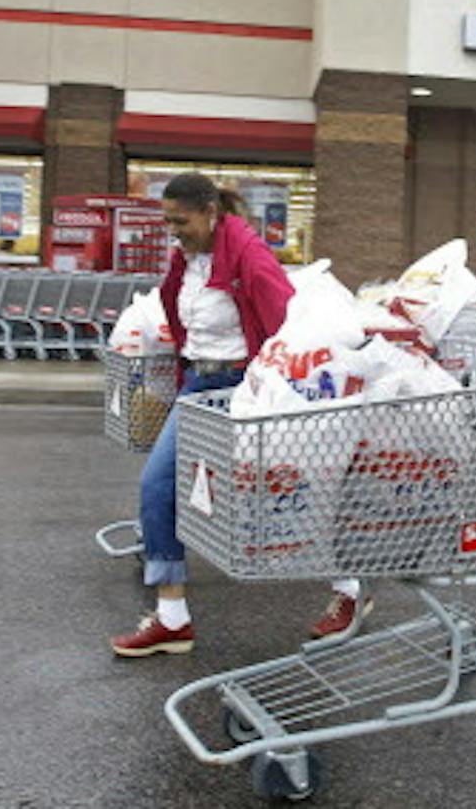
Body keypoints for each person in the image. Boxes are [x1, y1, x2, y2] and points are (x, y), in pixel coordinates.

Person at [110, 172, 370, 657]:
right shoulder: (186, 259)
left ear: (210, 213)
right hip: (198, 384)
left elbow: (286, 324)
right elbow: (177, 313)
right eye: (168, 222)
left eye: (180, 221)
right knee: (158, 486)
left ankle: (350, 587)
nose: (173, 230)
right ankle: (172, 617)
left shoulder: (248, 255)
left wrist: (283, 390)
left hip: (243, 386)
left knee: (293, 490)